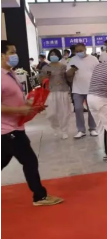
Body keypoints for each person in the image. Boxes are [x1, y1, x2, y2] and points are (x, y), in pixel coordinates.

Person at [1, 41, 64, 206]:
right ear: (1, 55)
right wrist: (19, 110)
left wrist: (33, 106)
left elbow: (16, 100)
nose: (15, 55)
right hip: (8, 130)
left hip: (15, 127)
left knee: (4, 160)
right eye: (12, 52)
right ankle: (40, 196)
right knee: (30, 161)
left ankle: (39, 196)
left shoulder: (10, 74)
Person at [66, 43, 99, 138]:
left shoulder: (93, 59)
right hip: (77, 89)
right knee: (78, 108)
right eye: (77, 51)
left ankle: (92, 128)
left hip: (91, 88)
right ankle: (81, 130)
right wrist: (72, 70)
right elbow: (67, 74)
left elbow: (98, 72)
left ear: (85, 49)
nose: (79, 53)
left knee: (91, 109)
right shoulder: (73, 59)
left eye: (80, 50)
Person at [38, 49, 72, 139]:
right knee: (51, 113)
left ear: (59, 55)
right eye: (51, 54)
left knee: (64, 112)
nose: (53, 56)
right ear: (49, 56)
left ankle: (64, 130)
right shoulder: (45, 67)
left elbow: (68, 78)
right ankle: (55, 127)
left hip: (63, 90)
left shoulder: (63, 66)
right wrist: (45, 77)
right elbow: (40, 80)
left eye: (55, 54)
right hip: (50, 91)